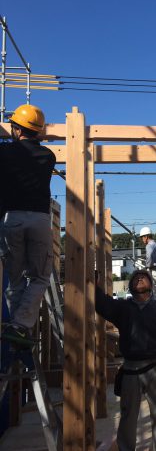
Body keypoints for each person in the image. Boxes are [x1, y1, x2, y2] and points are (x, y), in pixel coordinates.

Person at [95, 268, 156, 451]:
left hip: (155, 368)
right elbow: (102, 304)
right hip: (130, 370)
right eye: (136, 278)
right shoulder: (123, 308)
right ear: (131, 287)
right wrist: (93, 286)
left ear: (150, 286)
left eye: (144, 277)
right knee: (128, 415)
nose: (140, 278)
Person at [0, 104, 55, 348]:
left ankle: (15, 327)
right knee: (40, 276)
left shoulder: (4, 152)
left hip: (12, 218)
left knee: (15, 279)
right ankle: (20, 326)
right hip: (39, 220)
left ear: (17, 129)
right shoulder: (49, 156)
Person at [140, 226, 156, 303]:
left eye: (142, 237)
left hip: (153, 272)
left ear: (146, 237)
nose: (142, 240)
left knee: (153, 295)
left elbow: (149, 256)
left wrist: (147, 266)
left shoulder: (149, 246)